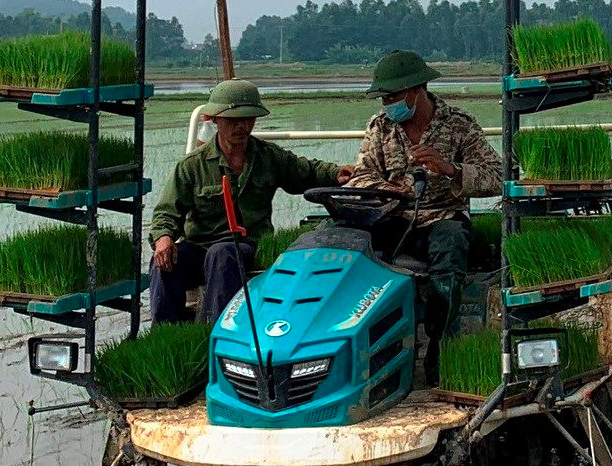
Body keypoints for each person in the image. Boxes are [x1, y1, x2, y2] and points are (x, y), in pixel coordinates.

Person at [347, 50, 502, 374]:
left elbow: (498, 176)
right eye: (385, 98)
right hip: (393, 219)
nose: (389, 104)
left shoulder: (459, 125)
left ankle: (440, 347)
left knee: (450, 248)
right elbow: (361, 174)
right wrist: (384, 189)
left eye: (393, 96)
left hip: (441, 217)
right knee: (346, 245)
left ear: (417, 90)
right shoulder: (380, 127)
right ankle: (358, 348)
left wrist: (451, 169)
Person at [148, 79, 351, 324]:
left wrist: (336, 173)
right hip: (200, 248)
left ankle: (214, 332)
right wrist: (164, 238)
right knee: (163, 262)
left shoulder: (268, 157)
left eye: (248, 119)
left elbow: (305, 171)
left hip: (247, 247)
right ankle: (167, 334)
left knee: (223, 253)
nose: (242, 127)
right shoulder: (192, 166)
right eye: (233, 121)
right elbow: (167, 212)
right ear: (215, 120)